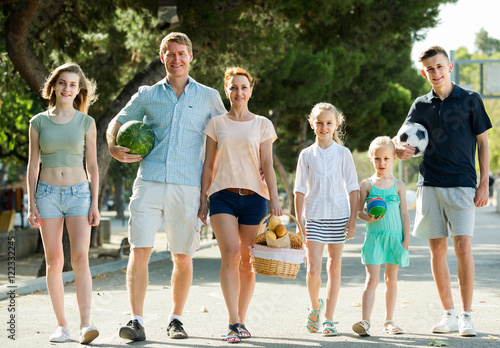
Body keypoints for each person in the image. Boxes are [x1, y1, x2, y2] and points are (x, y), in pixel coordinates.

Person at [106, 32, 226, 342]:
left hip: (188, 185)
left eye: (181, 53)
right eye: (170, 54)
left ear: (190, 57)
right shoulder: (147, 95)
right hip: (149, 180)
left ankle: (176, 319)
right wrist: (113, 148)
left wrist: (213, 190)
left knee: (182, 255)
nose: (176, 59)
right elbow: (116, 124)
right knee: (139, 249)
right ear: (163, 58)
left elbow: (224, 138)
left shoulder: (210, 96)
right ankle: (136, 320)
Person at [395, 46, 492, 336]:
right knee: (437, 249)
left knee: (463, 246)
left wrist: (484, 181)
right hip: (430, 184)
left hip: (463, 183)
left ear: (449, 67)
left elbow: (484, 143)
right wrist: (400, 150)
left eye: (440, 67)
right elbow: (402, 140)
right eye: (429, 69)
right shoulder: (420, 104)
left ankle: (466, 315)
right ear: (424, 72)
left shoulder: (471, 99)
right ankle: (448, 313)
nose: (435, 73)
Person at [198, 67, 282, 343]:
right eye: (234, 87)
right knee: (231, 255)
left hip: (256, 198)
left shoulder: (262, 124)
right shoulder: (216, 124)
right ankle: (233, 321)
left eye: (244, 87)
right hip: (222, 195)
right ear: (226, 90)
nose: (239, 92)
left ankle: (242, 321)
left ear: (251, 90)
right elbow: (208, 165)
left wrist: (275, 199)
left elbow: (267, 165)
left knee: (247, 262)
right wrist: (203, 199)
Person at [26, 63, 100, 344]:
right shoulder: (38, 122)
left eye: (72, 84)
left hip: (79, 194)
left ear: (78, 90)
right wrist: (31, 201)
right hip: (46, 195)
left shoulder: (86, 123)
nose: (67, 88)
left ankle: (85, 324)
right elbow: (33, 165)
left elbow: (92, 166)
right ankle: (61, 326)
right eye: (62, 83)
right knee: (54, 260)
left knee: (80, 258)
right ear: (54, 86)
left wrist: (94, 202)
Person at [294, 102, 359, 336]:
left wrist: (352, 221)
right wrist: (300, 223)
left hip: (339, 217)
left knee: (334, 266)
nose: (324, 127)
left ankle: (329, 318)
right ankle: (315, 308)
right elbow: (299, 189)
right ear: (313, 125)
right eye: (319, 123)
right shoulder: (306, 155)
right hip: (313, 217)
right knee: (313, 270)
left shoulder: (344, 153)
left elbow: (353, 188)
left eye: (328, 123)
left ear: (336, 125)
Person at [352, 136, 410, 337]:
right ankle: (365, 321)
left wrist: (405, 241)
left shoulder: (399, 185)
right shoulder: (367, 184)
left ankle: (389, 321)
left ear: (394, 158)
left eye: (386, 158)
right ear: (371, 158)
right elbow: (359, 212)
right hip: (374, 238)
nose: (382, 163)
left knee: (391, 279)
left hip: (395, 238)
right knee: (371, 280)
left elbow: (404, 214)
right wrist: (367, 218)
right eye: (377, 159)